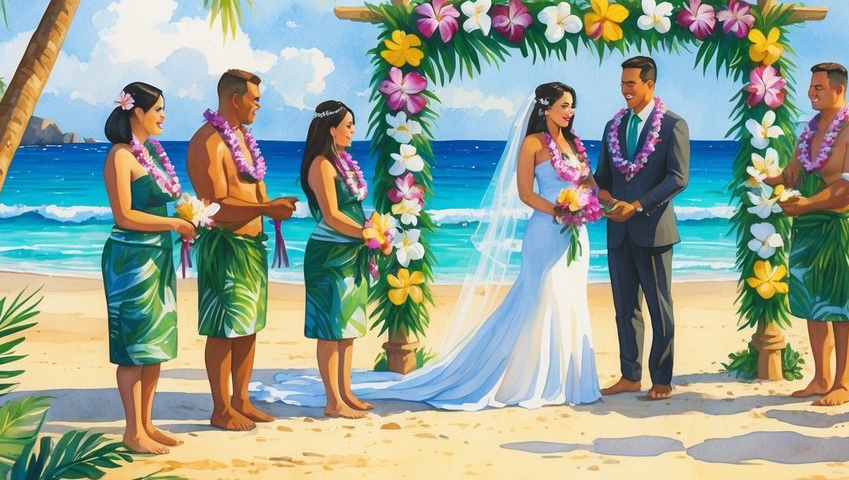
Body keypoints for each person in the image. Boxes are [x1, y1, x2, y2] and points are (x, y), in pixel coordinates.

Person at [258, 82, 601, 411]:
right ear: (546, 109)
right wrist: (558, 209)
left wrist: (587, 202)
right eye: (564, 105)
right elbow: (526, 193)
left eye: (572, 106)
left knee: (569, 299)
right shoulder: (532, 144)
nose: (570, 112)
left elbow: (589, 182)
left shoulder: (575, 145)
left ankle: (568, 380)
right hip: (547, 229)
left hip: (575, 234)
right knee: (541, 299)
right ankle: (338, 398)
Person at [187, 69, 298, 430]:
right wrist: (268, 209)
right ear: (235, 99)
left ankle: (241, 400)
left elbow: (254, 189)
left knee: (249, 327)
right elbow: (217, 204)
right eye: (255, 99)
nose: (258, 106)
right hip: (225, 248)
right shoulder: (209, 142)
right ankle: (220, 409)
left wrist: (271, 205)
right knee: (223, 330)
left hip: (252, 247)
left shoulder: (245, 140)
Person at [770, 62, 849, 407]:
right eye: (811, 87)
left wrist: (808, 204)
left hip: (837, 228)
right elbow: (796, 171)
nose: (811, 93)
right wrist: (773, 178)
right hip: (808, 228)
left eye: (818, 88)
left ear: (838, 89)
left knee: (841, 304)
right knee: (814, 305)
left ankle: (843, 381)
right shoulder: (810, 130)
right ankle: (821, 377)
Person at [101, 82, 195, 453]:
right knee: (133, 346)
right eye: (157, 109)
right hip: (130, 261)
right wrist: (174, 224)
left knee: (153, 342)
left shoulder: (150, 155)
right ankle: (131, 430)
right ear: (136, 112)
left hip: (158, 256)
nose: (163, 116)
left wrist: (189, 218)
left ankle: (147, 423)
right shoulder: (120, 156)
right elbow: (124, 215)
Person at [594, 56, 690, 401]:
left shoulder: (673, 125)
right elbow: (603, 175)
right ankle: (630, 376)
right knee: (624, 307)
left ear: (650, 84)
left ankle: (661, 379)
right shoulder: (612, 126)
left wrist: (635, 207)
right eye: (622, 84)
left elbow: (678, 179)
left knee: (659, 307)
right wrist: (605, 199)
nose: (625, 91)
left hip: (653, 230)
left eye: (631, 84)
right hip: (617, 231)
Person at [300, 101, 374, 419]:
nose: (353, 130)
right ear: (331, 129)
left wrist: (368, 232)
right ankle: (333, 400)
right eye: (348, 125)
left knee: (347, 325)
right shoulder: (322, 165)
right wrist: (365, 234)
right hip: (329, 256)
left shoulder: (341, 162)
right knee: (331, 328)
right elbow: (331, 215)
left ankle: (345, 392)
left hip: (350, 251)